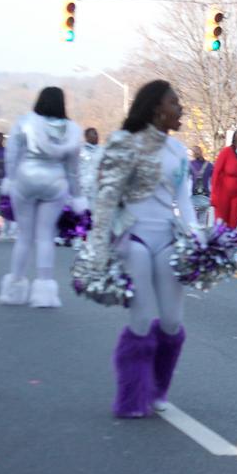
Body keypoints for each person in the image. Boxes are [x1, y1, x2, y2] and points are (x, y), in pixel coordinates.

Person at [83, 79, 198, 417]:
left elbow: (184, 201)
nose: (181, 110)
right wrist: (100, 244)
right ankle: (132, 396)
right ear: (155, 108)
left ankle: (158, 387)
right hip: (132, 237)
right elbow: (104, 197)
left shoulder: (178, 151)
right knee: (143, 317)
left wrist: (195, 238)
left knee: (172, 322)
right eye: (175, 103)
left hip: (168, 237)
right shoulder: (123, 143)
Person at [0, 87, 85, 307]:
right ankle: (44, 292)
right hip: (55, 181)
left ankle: (14, 288)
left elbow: (12, 154)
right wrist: (77, 196)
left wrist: (11, 177)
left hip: (25, 178)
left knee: (25, 236)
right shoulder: (72, 130)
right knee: (45, 237)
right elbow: (73, 169)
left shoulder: (25, 122)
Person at [188, 145, 214, 228]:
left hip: (193, 197)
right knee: (202, 223)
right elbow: (214, 180)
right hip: (205, 197)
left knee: (192, 222)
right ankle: (202, 238)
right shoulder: (209, 165)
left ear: (193, 154)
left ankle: (193, 238)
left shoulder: (190, 165)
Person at [79, 127, 103, 207]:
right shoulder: (80, 150)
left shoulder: (103, 150)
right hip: (81, 186)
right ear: (87, 136)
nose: (96, 136)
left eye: (97, 134)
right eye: (94, 133)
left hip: (95, 187)